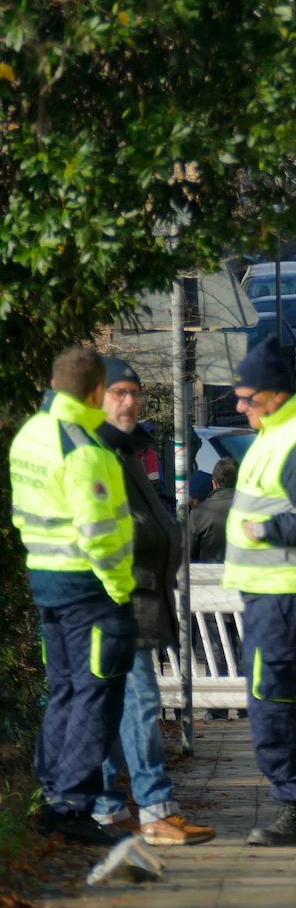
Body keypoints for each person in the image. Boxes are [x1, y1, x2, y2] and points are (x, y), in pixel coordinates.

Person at [8, 347, 136, 846]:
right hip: (91, 588)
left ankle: (52, 792)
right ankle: (72, 803)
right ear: (97, 391)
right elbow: (100, 532)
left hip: (45, 579)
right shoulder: (85, 450)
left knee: (64, 688)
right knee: (96, 694)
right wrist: (121, 590)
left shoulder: (30, 435)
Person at [221, 338, 296, 848]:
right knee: (283, 696)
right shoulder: (279, 433)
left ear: (272, 394)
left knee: (269, 697)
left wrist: (265, 533)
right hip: (270, 591)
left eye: (246, 397)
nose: (239, 406)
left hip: (285, 592)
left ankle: (295, 805)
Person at [88, 358, 215, 846]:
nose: (129, 402)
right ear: (95, 398)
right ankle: (156, 809)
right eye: (118, 393)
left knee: (118, 706)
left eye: (134, 393)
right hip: (117, 599)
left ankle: (107, 806)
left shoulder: (122, 450)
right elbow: (103, 530)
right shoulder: (98, 452)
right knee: (138, 703)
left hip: (135, 597)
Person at [189, 456, 237, 564]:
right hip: (247, 577)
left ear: (214, 483)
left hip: (209, 578)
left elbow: (188, 557)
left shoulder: (198, 513)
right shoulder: (255, 509)